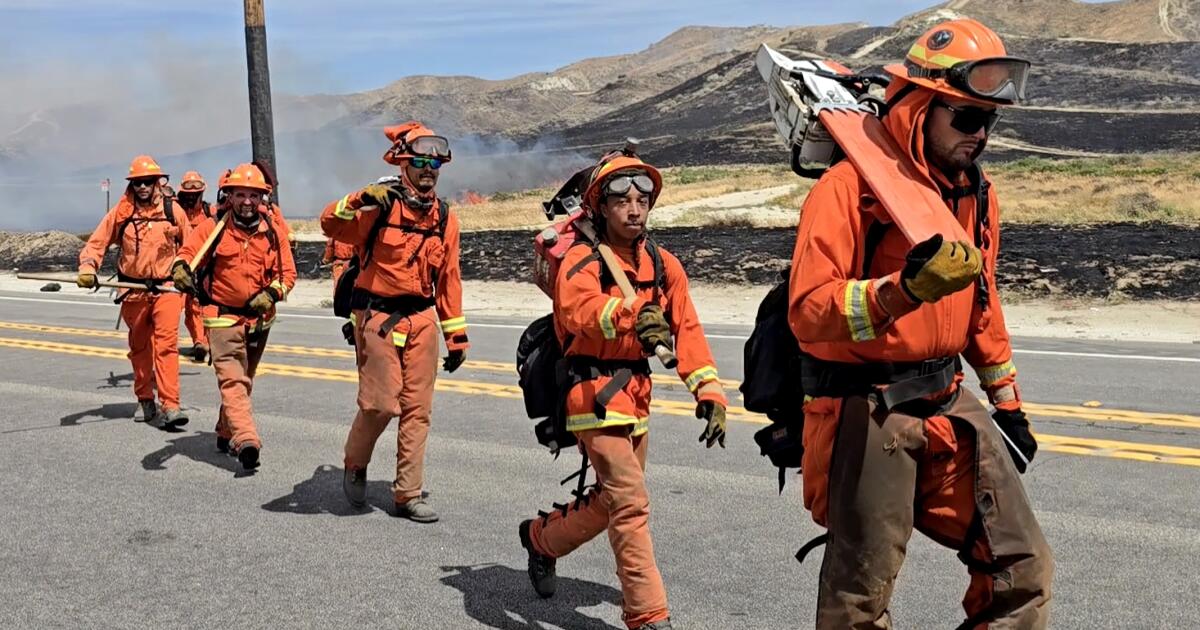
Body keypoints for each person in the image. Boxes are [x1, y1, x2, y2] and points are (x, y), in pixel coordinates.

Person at [787, 18, 1052, 628]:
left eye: (989, 121)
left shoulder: (976, 193)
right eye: (966, 117)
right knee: (858, 599)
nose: (979, 135)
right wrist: (900, 293)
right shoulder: (847, 189)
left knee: (1023, 570)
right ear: (918, 107)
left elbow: (982, 304)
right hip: (869, 407)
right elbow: (807, 310)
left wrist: (1008, 404)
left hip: (949, 399)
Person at [517, 153, 727, 630]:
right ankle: (648, 615)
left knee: (611, 501)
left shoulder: (664, 265)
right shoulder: (582, 259)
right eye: (622, 201)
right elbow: (578, 310)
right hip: (592, 392)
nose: (634, 209)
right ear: (601, 206)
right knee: (630, 502)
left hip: (637, 395)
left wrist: (709, 393)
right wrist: (632, 316)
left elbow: (688, 330)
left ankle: (541, 539)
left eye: (642, 200)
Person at [319, 121, 468, 522]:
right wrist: (360, 197)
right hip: (378, 318)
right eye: (419, 162)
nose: (428, 170)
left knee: (418, 411)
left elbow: (449, 280)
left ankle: (408, 494)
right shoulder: (379, 208)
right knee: (381, 405)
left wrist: (456, 337)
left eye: (434, 164)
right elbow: (330, 224)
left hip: (421, 320)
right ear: (403, 164)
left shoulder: (445, 218)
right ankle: (355, 462)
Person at [172, 163, 296, 471]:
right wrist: (180, 269)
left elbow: (288, 275)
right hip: (222, 318)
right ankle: (246, 439)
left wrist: (272, 294)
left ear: (263, 198)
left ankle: (225, 431)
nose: (247, 201)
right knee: (233, 381)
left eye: (254, 195)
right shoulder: (212, 227)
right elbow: (187, 253)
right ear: (229, 196)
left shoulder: (273, 232)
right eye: (240, 194)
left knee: (244, 380)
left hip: (259, 321)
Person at [78, 155, 190, 427]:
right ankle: (145, 398)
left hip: (166, 288)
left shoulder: (173, 210)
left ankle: (170, 405)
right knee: (139, 347)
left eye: (147, 182)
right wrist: (88, 267)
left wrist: (183, 268)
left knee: (166, 346)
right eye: (138, 182)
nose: (142, 187)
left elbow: (192, 245)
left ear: (157, 183)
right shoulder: (122, 212)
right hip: (133, 290)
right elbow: (97, 242)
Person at [176, 170, 213, 363]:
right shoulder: (175, 211)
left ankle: (203, 342)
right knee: (182, 307)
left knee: (202, 306)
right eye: (188, 193)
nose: (191, 197)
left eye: (195, 193)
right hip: (181, 267)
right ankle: (199, 342)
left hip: (205, 267)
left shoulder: (210, 212)